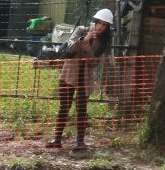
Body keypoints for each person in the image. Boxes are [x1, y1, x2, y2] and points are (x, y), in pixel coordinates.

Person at [46, 8, 114, 151]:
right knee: (64, 107)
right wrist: (84, 39)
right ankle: (57, 139)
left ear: (108, 27)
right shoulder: (80, 30)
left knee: (82, 110)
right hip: (69, 74)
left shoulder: (104, 41)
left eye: (104, 25)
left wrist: (87, 47)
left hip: (86, 78)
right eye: (99, 23)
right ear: (95, 21)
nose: (100, 27)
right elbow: (70, 48)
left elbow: (94, 62)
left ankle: (80, 142)